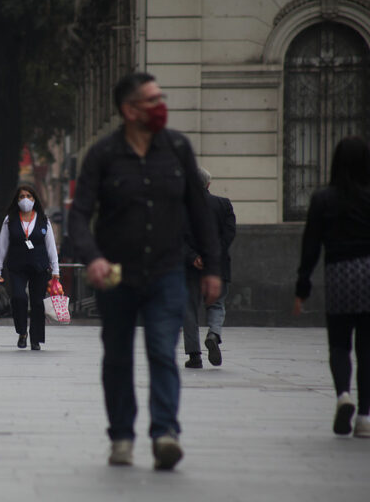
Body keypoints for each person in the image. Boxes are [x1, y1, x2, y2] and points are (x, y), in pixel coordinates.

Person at [68, 73, 221, 470]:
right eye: (152, 100)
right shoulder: (103, 155)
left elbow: (199, 211)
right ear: (129, 110)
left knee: (162, 351)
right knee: (117, 355)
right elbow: (79, 216)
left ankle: (165, 434)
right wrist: (94, 257)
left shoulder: (178, 149)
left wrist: (212, 267)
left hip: (167, 271)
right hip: (116, 273)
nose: (160, 105)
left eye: (161, 97)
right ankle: (121, 436)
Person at [293, 136, 370, 439]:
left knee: (339, 345)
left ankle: (343, 394)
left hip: (341, 274)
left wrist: (302, 286)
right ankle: (365, 418)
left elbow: (311, 245)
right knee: (368, 348)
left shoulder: (323, 199)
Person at [0, 185, 60, 350]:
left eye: (29, 196)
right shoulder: (10, 220)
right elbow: (2, 245)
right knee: (19, 297)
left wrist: (56, 270)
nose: (25, 199)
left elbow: (50, 245)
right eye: (21, 196)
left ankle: (35, 338)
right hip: (17, 266)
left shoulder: (44, 220)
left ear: (34, 199)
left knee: (37, 302)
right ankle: (22, 332)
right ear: (17, 200)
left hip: (40, 266)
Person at [182, 167, 236, 368]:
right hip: (218, 266)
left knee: (189, 309)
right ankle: (213, 333)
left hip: (190, 268)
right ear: (208, 184)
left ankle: (194, 356)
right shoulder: (224, 205)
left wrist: (193, 257)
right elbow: (229, 234)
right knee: (217, 304)